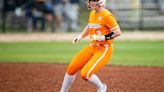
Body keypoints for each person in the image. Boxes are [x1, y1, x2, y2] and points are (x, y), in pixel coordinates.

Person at [60, 0, 121, 92]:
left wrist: (103, 37)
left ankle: (101, 87)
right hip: (92, 46)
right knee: (71, 69)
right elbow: (89, 26)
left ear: (101, 2)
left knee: (85, 74)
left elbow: (117, 32)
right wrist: (80, 36)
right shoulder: (92, 13)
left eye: (93, 1)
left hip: (103, 49)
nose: (90, 3)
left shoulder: (107, 15)